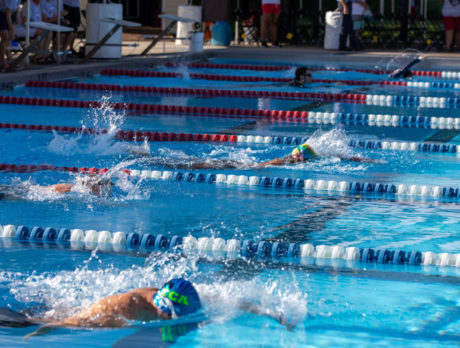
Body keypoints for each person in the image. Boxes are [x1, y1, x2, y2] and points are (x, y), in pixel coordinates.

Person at [16, 278, 291, 337]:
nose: (173, 320)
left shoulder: (190, 295)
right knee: (54, 317)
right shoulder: (125, 308)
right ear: (161, 306)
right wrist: (40, 333)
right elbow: (76, 323)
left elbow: (237, 302)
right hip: (95, 312)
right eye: (171, 316)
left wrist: (272, 314)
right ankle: (32, 317)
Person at [0, 0, 20, 68]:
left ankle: (9, 59)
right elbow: (7, 13)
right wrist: (11, 29)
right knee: (5, 36)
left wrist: (17, 16)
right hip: (2, 13)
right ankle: (2, 61)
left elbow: (17, 6)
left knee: (8, 38)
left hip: (10, 13)